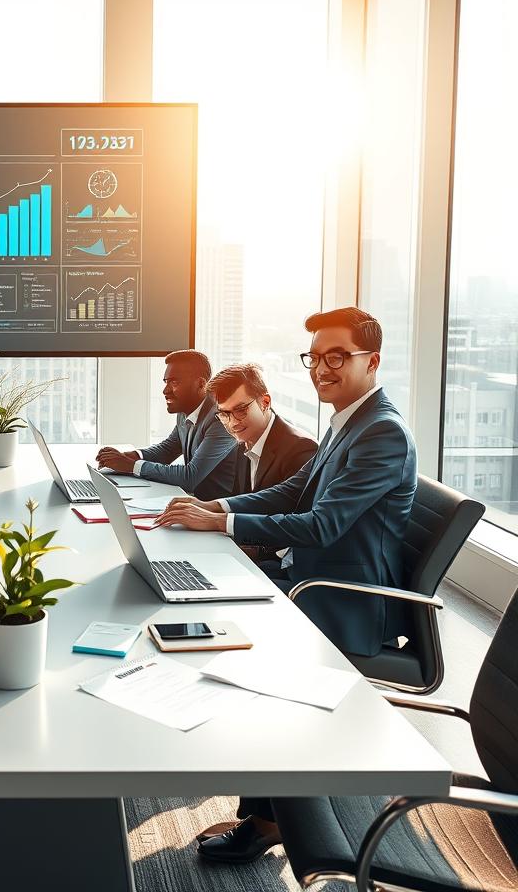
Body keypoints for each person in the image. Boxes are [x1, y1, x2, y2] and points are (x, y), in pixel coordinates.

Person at [156, 308, 417, 865]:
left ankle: (268, 818)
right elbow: (300, 488)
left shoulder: (382, 432)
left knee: (245, 642)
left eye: (337, 356)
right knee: (208, 595)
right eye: (315, 357)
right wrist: (217, 505)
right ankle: (265, 809)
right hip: (314, 576)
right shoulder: (350, 418)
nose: (322, 368)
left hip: (345, 598)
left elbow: (323, 523)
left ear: (372, 360)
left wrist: (221, 522)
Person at [96, 349, 237, 500]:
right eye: (166, 382)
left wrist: (131, 465)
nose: (165, 390)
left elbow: (190, 477)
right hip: (194, 504)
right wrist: (128, 457)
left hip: (215, 511)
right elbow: (167, 450)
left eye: (174, 382)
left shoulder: (221, 419)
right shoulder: (186, 411)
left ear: (201, 384)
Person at [208, 363, 317, 498]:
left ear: (265, 402)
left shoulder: (301, 449)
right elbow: (239, 504)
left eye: (241, 410)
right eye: (224, 414)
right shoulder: (242, 445)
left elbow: (291, 516)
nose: (232, 423)